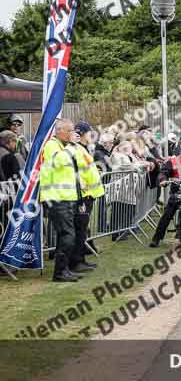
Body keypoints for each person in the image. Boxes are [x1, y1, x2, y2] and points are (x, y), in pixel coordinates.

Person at [39, 119, 83, 282]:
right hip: (56, 198)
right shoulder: (52, 145)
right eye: (70, 130)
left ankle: (63, 270)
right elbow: (59, 163)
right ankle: (59, 272)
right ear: (60, 131)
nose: (74, 133)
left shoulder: (64, 146)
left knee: (66, 236)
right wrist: (72, 145)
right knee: (67, 235)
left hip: (66, 197)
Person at [69, 121, 104, 274]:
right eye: (90, 133)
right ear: (82, 134)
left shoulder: (82, 148)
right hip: (82, 195)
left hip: (88, 194)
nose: (92, 136)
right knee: (80, 229)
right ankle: (76, 262)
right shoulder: (76, 149)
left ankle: (81, 259)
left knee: (83, 230)